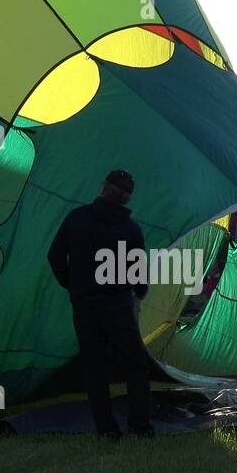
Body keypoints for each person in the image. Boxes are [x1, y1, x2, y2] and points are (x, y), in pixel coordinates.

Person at [47, 170, 154, 440]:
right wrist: (139, 293)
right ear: (127, 198)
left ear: (103, 187)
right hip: (117, 305)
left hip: (85, 306)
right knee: (136, 365)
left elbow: (55, 256)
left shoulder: (77, 219)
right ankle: (140, 426)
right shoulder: (131, 230)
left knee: (95, 367)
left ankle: (106, 430)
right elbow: (138, 273)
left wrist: (72, 286)